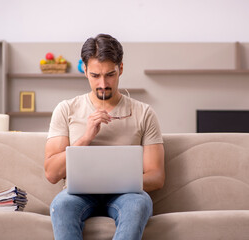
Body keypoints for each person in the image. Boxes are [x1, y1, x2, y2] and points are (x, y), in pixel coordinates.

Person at [44, 33, 165, 240]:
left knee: (138, 203)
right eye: (95, 75)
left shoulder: (144, 113)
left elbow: (156, 176)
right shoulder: (66, 109)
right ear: (84, 70)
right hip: (77, 196)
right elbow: (52, 173)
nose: (103, 84)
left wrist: (117, 182)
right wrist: (85, 138)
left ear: (121, 69)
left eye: (110, 74)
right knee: (61, 205)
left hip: (127, 195)